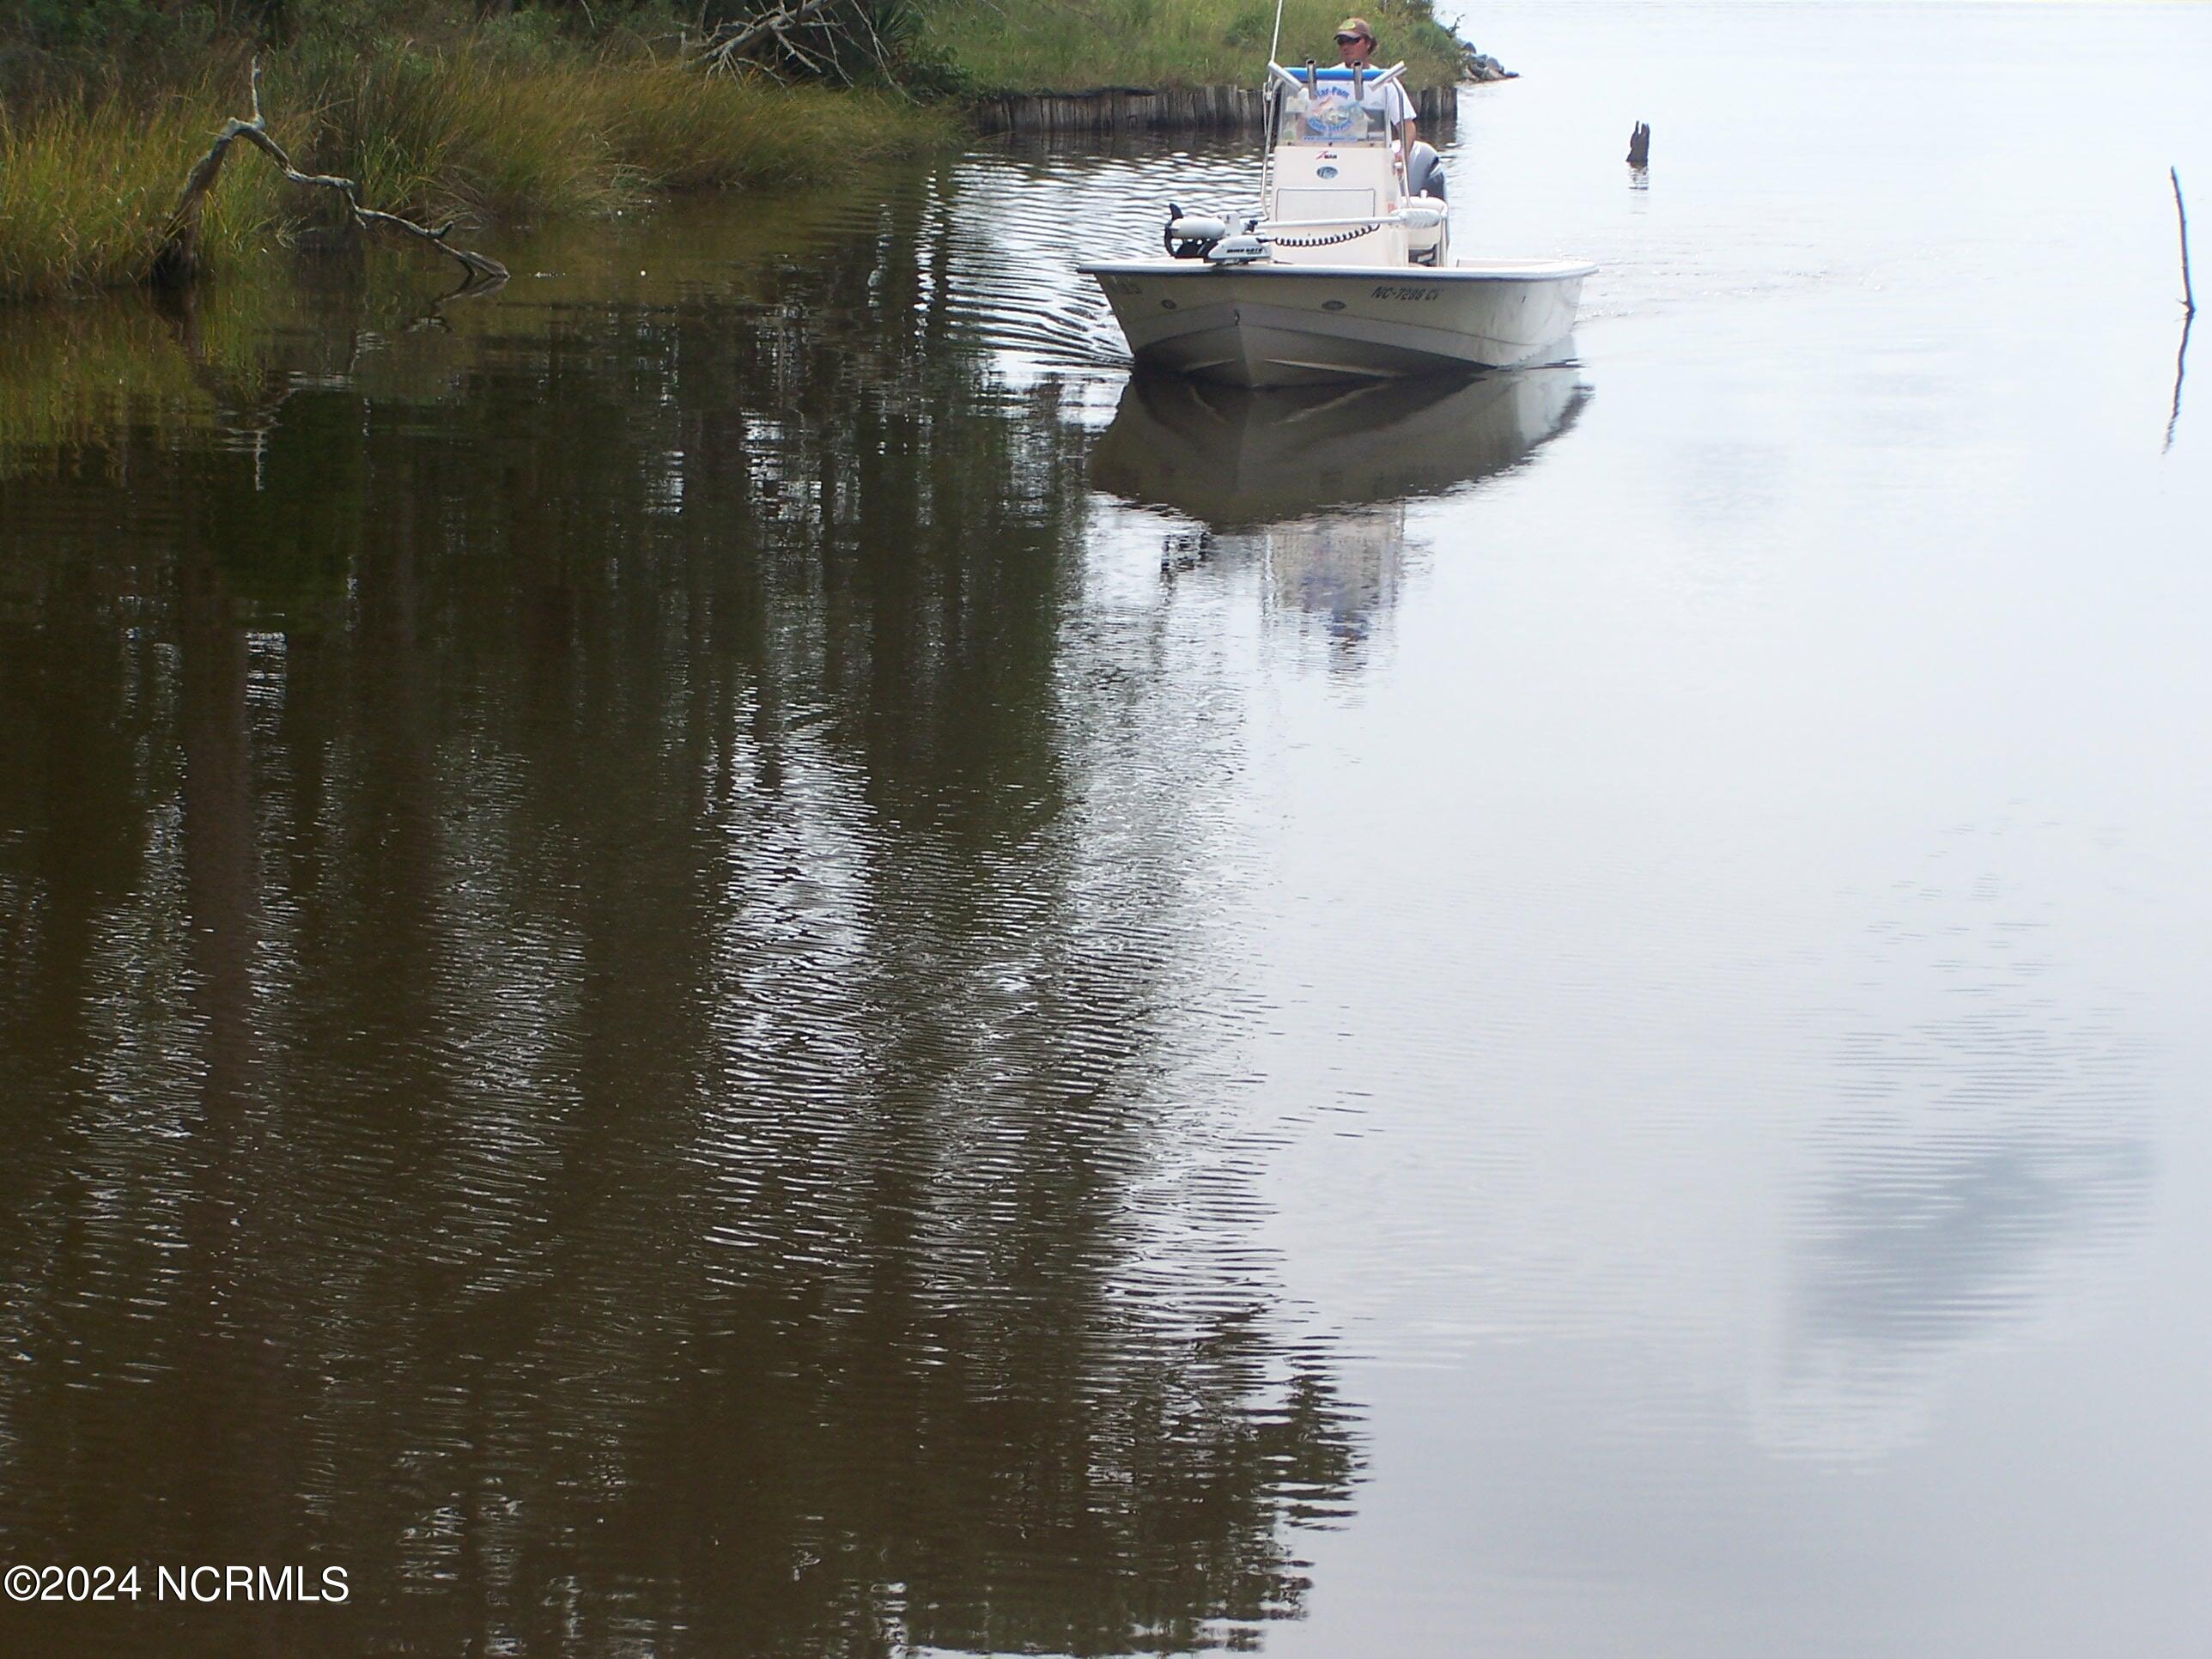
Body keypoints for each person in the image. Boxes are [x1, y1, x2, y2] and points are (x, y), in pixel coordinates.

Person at [1333, 17, 1416, 155]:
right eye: (1341, 42)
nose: (1346, 47)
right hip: (1333, 154)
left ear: (1368, 43)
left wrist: (1402, 155)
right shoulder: (1327, 79)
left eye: (1353, 41)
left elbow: (1407, 127)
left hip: (1374, 157)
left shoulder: (1386, 82)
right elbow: (1305, 121)